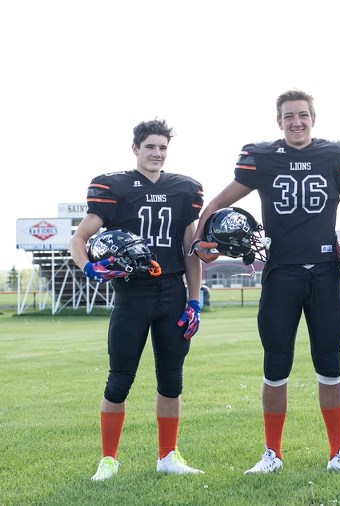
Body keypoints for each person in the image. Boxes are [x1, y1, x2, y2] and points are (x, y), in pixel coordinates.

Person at [192, 89, 340, 474]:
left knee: (330, 364)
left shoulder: (335, 156)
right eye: (289, 116)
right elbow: (215, 205)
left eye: (303, 115)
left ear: (314, 117)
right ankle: (272, 454)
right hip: (281, 274)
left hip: (325, 273)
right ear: (279, 121)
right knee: (275, 365)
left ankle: (338, 453)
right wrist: (201, 239)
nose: (297, 121)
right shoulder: (261, 158)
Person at [69, 119, 205, 481]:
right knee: (119, 379)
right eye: (150, 147)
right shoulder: (115, 186)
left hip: (173, 291)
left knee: (172, 379)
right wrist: (89, 269)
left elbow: (189, 249)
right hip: (132, 293)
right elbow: (79, 238)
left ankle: (167, 456)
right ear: (136, 149)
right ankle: (108, 459)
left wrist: (194, 300)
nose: (157, 153)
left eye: (162, 147)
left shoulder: (184, 189)